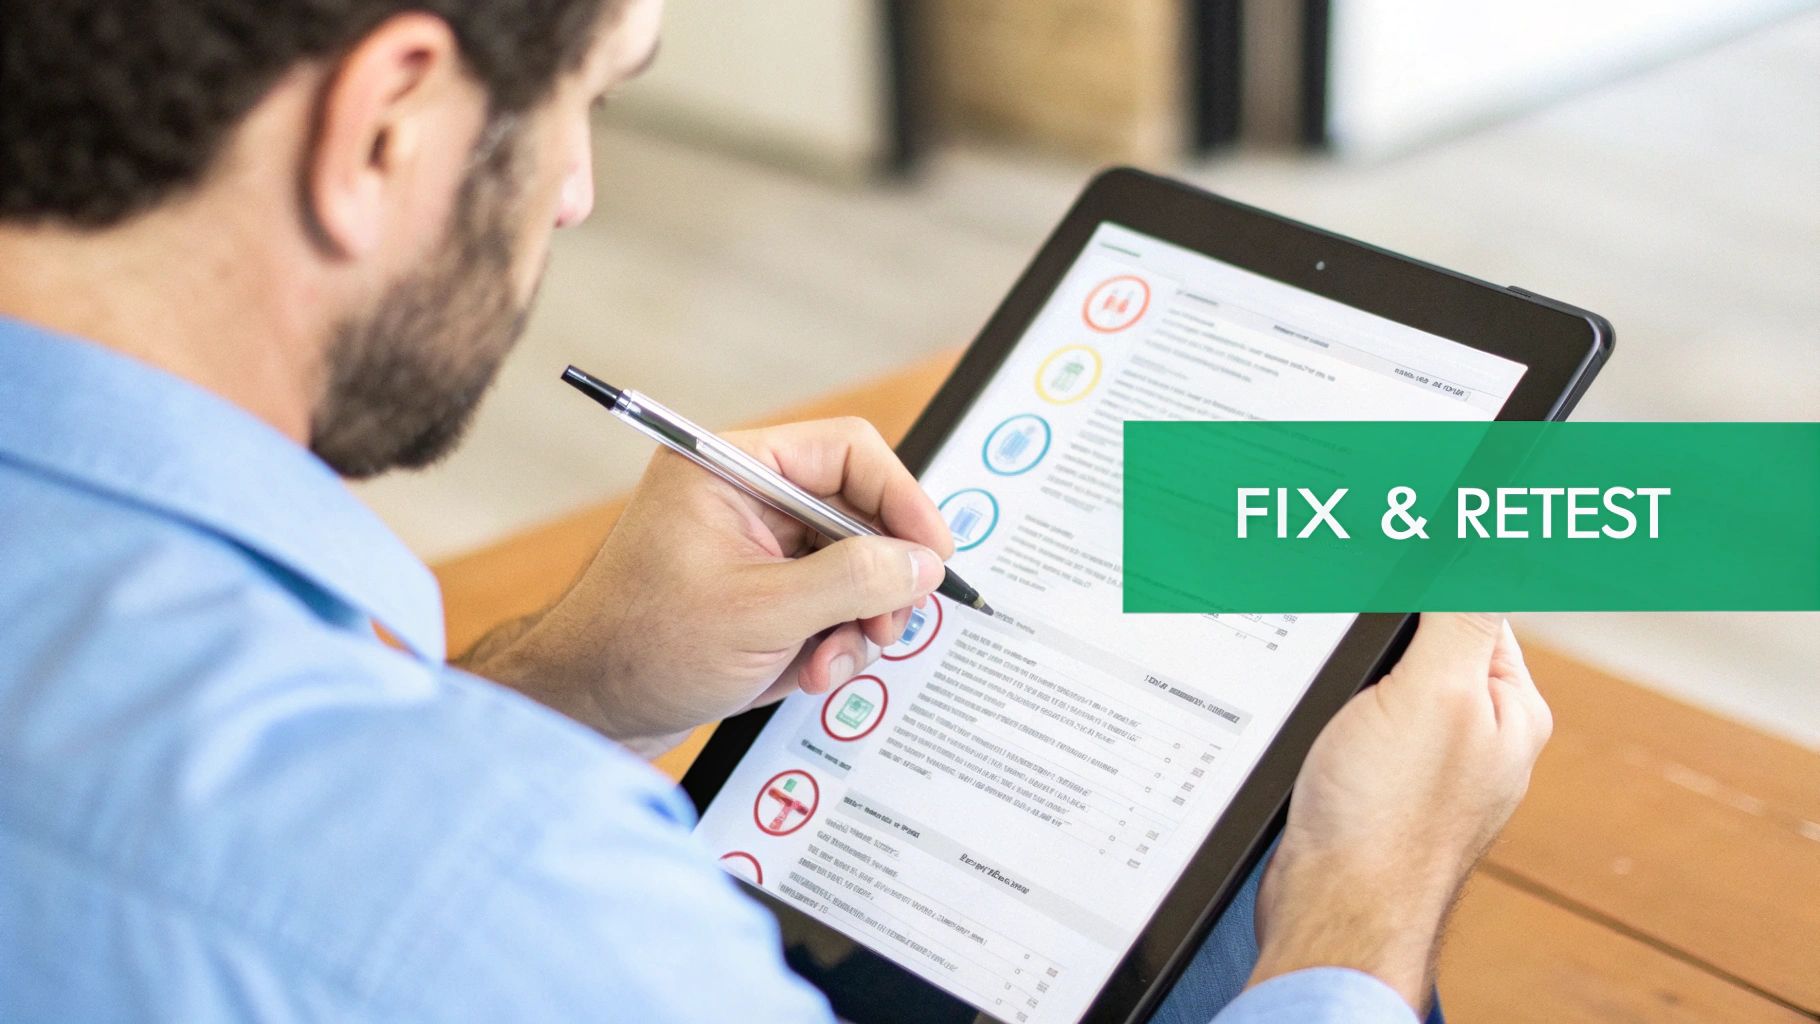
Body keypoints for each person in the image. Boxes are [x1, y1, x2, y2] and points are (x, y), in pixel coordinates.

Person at [0, 1, 1551, 1021]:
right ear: (389, 121)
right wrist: (1360, 911)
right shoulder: (522, 910)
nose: (575, 191)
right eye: (581, 103)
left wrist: (555, 689)